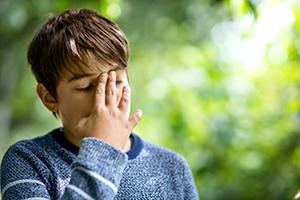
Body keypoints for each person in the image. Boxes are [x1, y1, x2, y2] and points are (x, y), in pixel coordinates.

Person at [0, 9, 199, 199]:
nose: (105, 96)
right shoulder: (28, 161)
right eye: (86, 87)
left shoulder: (172, 167)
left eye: (118, 81)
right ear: (49, 97)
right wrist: (103, 149)